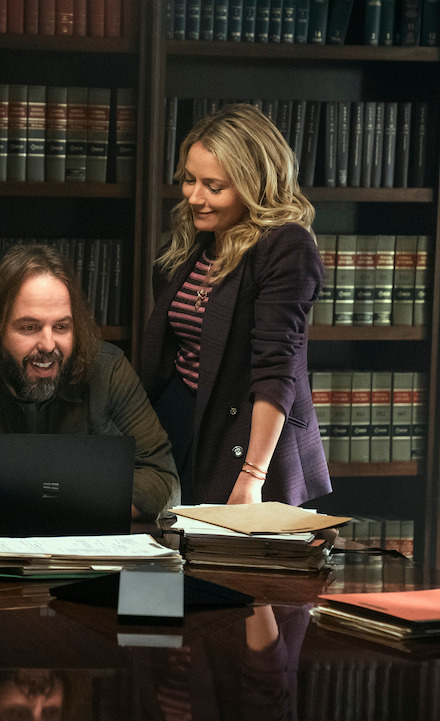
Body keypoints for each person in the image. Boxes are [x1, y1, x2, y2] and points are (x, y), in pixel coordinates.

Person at [139, 102, 331, 507]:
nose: (194, 197)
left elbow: (277, 371)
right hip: (182, 424)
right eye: (189, 180)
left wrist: (252, 477)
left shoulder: (286, 247)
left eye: (214, 186)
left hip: (243, 438)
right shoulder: (195, 243)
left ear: (254, 184)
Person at [0, 243, 180, 524]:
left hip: (82, 560)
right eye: (29, 327)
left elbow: (161, 479)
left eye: (61, 327)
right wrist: (20, 500)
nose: (49, 345)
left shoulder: (109, 370)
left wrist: (55, 502)